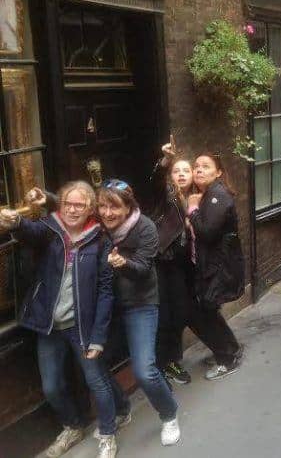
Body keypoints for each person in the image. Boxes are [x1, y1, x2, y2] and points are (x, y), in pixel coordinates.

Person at [0, 182, 119, 458]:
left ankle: (108, 432)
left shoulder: (100, 239)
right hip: (49, 326)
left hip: (82, 326)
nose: (72, 210)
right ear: (60, 205)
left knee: (96, 381)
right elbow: (29, 231)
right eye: (67, 204)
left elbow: (105, 291)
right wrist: (16, 221)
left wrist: (99, 336)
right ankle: (73, 426)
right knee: (52, 387)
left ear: (90, 208)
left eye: (79, 205)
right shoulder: (50, 229)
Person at [97, 180, 181, 446]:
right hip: (108, 306)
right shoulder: (100, 227)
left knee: (144, 370)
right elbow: (72, 205)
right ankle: (122, 409)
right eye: (102, 206)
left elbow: (143, 269)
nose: (107, 213)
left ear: (128, 206)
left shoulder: (144, 227)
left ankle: (169, 414)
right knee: (93, 362)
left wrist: (122, 264)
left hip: (140, 303)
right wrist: (49, 200)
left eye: (114, 207)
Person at [187, 154, 245, 380]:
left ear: (218, 172)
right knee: (209, 309)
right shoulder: (208, 194)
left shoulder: (217, 195)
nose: (199, 170)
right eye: (196, 166)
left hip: (220, 264)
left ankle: (227, 359)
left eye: (205, 166)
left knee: (207, 309)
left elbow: (207, 232)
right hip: (214, 263)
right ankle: (231, 349)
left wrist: (192, 209)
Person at [151, 140, 194, 385]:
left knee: (178, 314)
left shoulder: (198, 198)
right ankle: (163, 365)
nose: (181, 174)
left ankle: (172, 361)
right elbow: (156, 180)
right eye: (176, 171)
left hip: (183, 264)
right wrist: (165, 161)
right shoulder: (166, 196)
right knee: (164, 315)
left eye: (185, 171)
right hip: (163, 260)